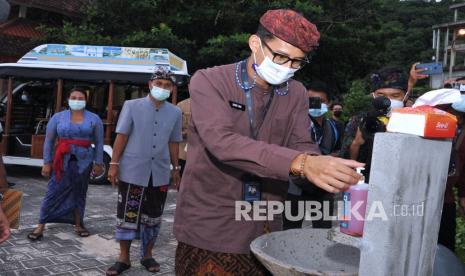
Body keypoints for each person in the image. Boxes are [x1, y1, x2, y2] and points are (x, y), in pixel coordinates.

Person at [174, 9, 362, 275]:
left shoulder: (295, 92)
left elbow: (301, 142)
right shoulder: (210, 80)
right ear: (255, 43)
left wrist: (323, 168)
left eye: (297, 62)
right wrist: (301, 163)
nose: (287, 67)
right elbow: (222, 142)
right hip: (212, 221)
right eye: (281, 56)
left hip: (264, 221)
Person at [106, 67, 182, 276]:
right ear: (150, 85)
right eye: (159, 84)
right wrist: (113, 164)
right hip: (132, 170)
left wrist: (176, 168)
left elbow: (174, 142)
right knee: (127, 215)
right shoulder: (132, 106)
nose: (162, 88)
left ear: (172, 89)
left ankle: (147, 255)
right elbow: (121, 136)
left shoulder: (175, 112)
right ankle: (124, 257)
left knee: (154, 216)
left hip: (159, 172)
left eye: (167, 85)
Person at [27, 87, 104, 241]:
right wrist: (46, 162)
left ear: (86, 101)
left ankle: (78, 224)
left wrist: (99, 162)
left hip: (84, 161)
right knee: (53, 192)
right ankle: (40, 225)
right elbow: (48, 141)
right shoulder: (58, 117)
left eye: (80, 98)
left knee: (79, 193)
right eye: (74, 97)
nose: (77, 100)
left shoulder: (94, 118)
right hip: (61, 161)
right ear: (68, 99)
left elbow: (99, 142)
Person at [283, 81, 341, 230]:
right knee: (290, 229)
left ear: (328, 103)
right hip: (296, 186)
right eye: (311, 101)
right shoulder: (294, 124)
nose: (315, 104)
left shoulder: (332, 127)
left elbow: (336, 150)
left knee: (323, 229)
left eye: (320, 101)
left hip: (323, 187)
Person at [340, 66, 409, 179]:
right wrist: (356, 143)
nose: (387, 101)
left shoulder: (414, 121)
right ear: (373, 95)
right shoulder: (360, 120)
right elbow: (346, 161)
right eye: (381, 95)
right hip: (367, 183)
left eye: (395, 96)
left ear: (405, 96)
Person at [437, 95, 465, 252]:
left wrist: (463, 194)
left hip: (446, 199)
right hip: (420, 198)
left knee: (445, 247)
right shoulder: (436, 113)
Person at [177, 97, 191, 177]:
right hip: (184, 155)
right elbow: (173, 131)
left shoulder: (212, 104)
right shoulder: (181, 105)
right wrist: (186, 133)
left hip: (204, 155)